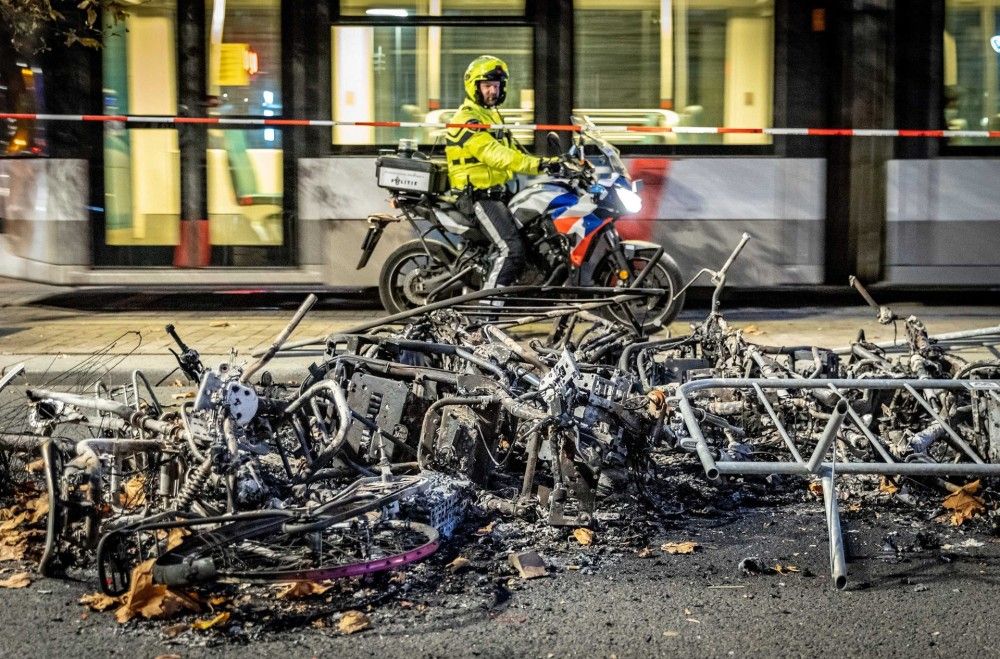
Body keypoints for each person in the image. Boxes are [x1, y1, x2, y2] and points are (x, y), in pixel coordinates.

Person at [445, 55, 561, 289]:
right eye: (487, 86)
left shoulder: (492, 116)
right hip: (477, 196)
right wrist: (538, 165)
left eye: (496, 86)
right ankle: (487, 311)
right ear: (474, 87)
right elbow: (494, 154)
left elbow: (515, 149)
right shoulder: (466, 119)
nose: (493, 92)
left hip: (497, 193)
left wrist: (556, 162)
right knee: (512, 250)